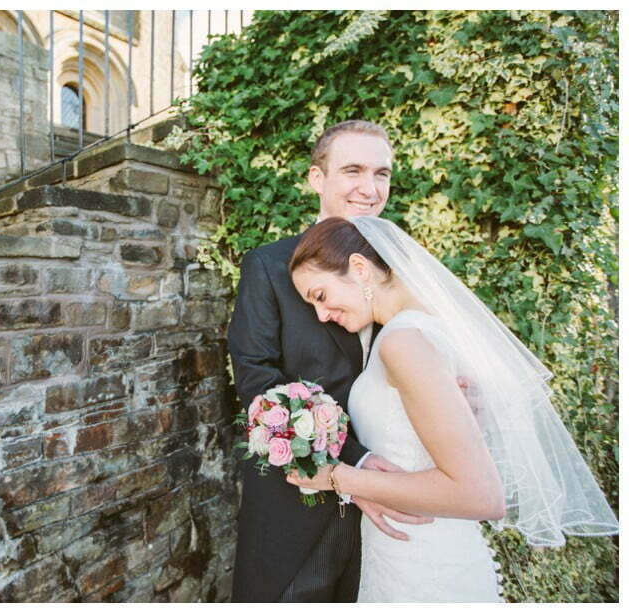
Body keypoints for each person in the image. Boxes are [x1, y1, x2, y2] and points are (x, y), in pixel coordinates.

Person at [286, 216, 619, 602]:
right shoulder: (421, 330)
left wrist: (336, 478)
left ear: (359, 268)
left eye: (321, 296)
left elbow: (481, 496)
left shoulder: (404, 342)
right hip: (403, 558)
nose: (321, 315)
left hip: (429, 574)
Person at [228, 120, 431, 603]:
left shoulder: (405, 272)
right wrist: (356, 464)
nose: (370, 188)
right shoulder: (270, 267)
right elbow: (258, 384)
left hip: (397, 506)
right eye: (353, 170)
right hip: (299, 506)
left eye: (381, 173)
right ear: (317, 179)